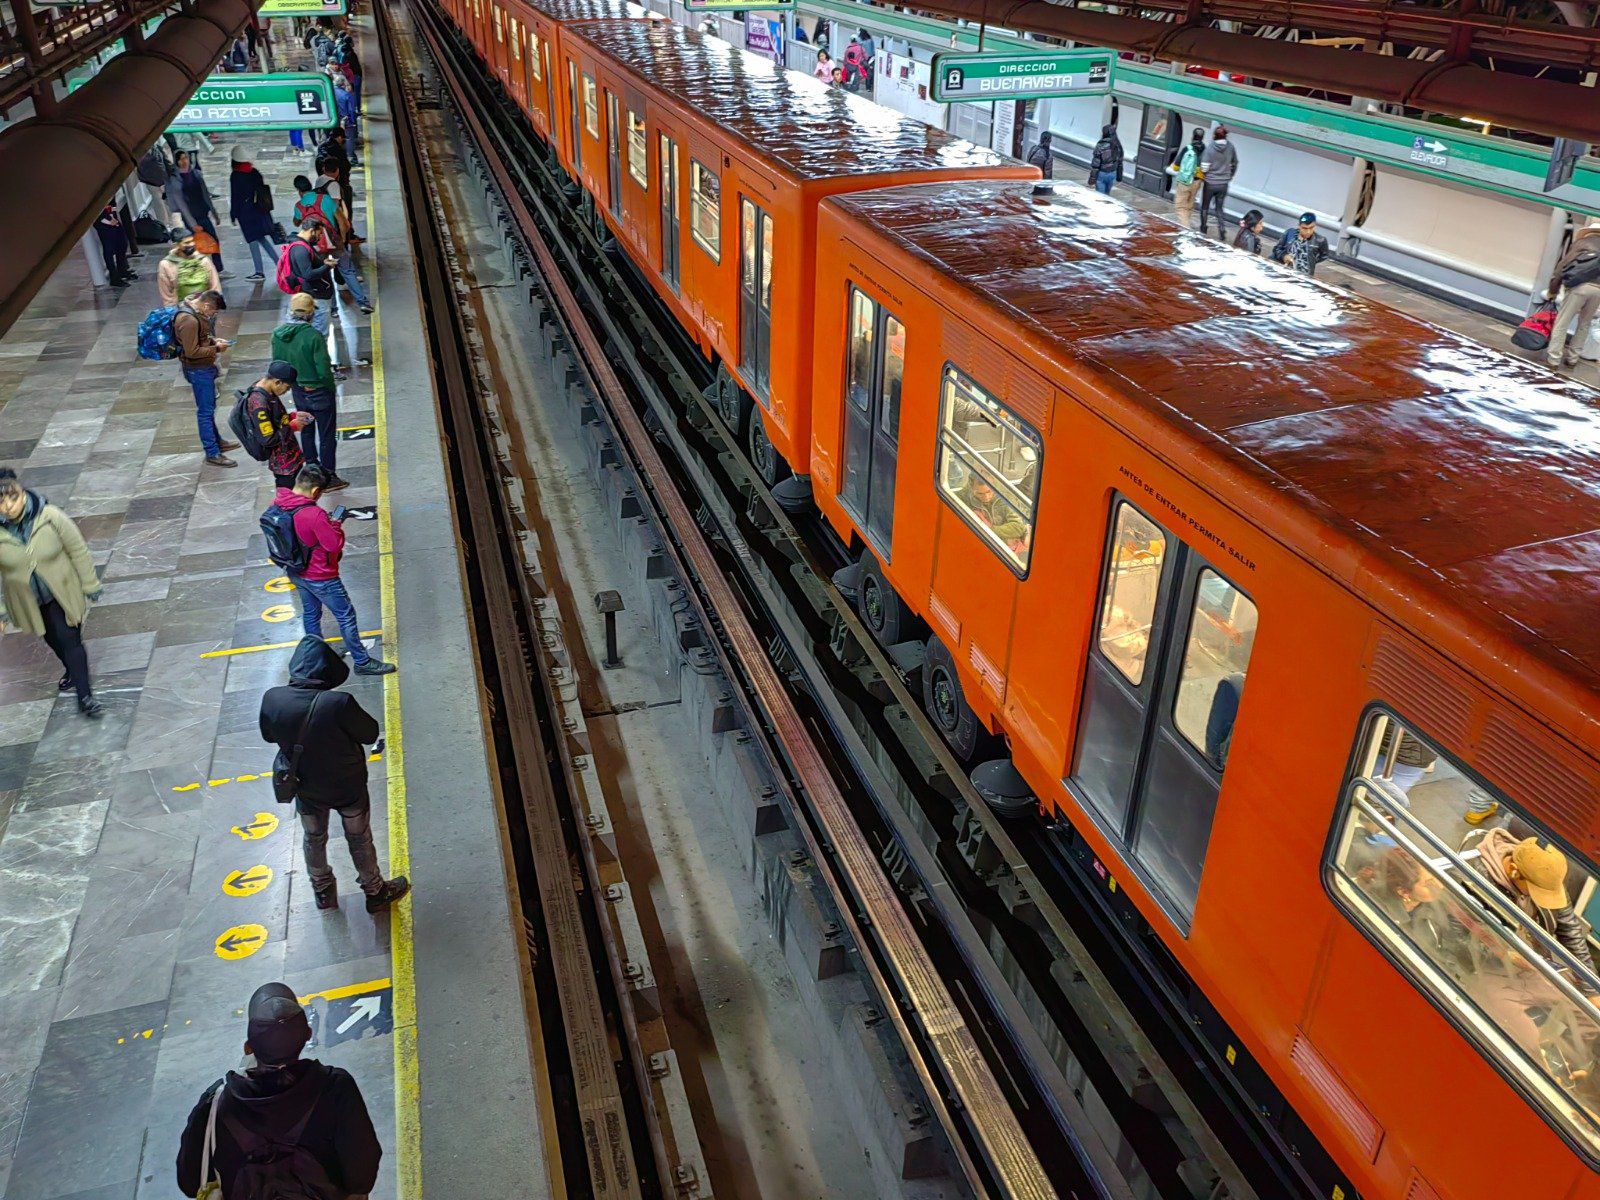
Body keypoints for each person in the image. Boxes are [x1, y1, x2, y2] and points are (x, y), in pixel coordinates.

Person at [175, 982, 384, 1198]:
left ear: (248, 1047)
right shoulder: (336, 1088)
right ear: (308, 1035)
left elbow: (189, 1182)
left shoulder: (216, 1105)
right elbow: (362, 1177)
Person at [270, 465, 397, 677]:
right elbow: (333, 545)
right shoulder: (313, 514)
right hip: (321, 575)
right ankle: (362, 661)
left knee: (311, 613)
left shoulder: (278, 504)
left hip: (295, 571)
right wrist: (335, 524)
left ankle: (317, 658)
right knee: (345, 616)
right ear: (315, 491)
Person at [0, 470, 104, 719]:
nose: (7, 507)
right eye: (1, 502)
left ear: (22, 495)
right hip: (29, 600)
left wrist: (90, 585)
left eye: (12, 499)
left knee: (71, 640)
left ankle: (85, 696)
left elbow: (77, 549)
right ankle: (72, 670)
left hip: (62, 592)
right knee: (51, 638)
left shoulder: (50, 516)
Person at [1472, 830, 1598, 977]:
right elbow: (1462, 935)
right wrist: (1509, 955)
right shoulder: (1478, 881)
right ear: (1514, 871)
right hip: (1488, 967)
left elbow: (1570, 932)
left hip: (1530, 968)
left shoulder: (1545, 873)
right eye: (1538, 892)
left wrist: (1589, 985)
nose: (1542, 899)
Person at [273, 293, 346, 487]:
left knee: (305, 430)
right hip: (319, 391)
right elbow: (323, 368)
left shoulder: (277, 334)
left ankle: (311, 470)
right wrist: (329, 387)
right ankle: (328, 476)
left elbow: (277, 365)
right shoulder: (313, 336)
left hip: (297, 390)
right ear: (310, 313)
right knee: (327, 435)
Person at [173, 289, 239, 467]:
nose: (213, 315)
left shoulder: (195, 312)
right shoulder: (188, 320)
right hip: (198, 370)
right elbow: (192, 351)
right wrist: (216, 349)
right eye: (214, 312)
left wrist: (214, 340)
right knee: (205, 411)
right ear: (207, 305)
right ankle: (212, 452)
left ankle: (217, 442)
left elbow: (200, 339)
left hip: (203, 368)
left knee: (209, 408)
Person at [244, 361, 311, 488]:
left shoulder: (268, 390)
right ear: (277, 382)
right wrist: (292, 426)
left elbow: (275, 419)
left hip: (291, 457)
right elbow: (268, 439)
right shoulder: (259, 404)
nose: (287, 391)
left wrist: (293, 416)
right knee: (288, 501)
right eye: (287, 387)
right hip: (283, 466)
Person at [1546, 226, 1600, 372]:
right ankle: (1572, 359)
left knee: (1562, 322)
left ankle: (1554, 359)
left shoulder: (1581, 243)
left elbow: (1561, 267)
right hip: (1598, 291)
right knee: (1584, 324)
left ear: (1589, 232)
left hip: (1579, 287)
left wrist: (1553, 291)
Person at [166, 150, 227, 273]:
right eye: (181, 159)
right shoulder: (175, 180)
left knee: (213, 241)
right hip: (191, 217)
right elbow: (181, 204)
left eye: (186, 158)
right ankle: (199, 272)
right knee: (195, 246)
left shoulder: (196, 174)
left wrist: (214, 212)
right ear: (176, 161)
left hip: (202, 212)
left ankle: (218, 269)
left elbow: (205, 194)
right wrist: (193, 224)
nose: (184, 161)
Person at [228, 146, 280, 281]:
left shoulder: (236, 176)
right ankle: (279, 263)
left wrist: (233, 214)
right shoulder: (254, 172)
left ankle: (259, 272)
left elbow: (235, 197)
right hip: (259, 211)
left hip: (246, 214)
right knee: (262, 239)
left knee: (252, 240)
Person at [157, 230, 222, 306]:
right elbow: (166, 294)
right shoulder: (166, 264)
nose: (192, 244)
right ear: (176, 245)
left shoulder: (204, 261)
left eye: (192, 241)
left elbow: (215, 286)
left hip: (205, 307)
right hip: (181, 309)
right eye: (187, 243)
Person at [959, 475, 1025, 546]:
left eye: (989, 491)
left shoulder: (1006, 498)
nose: (986, 497)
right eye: (980, 493)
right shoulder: (964, 496)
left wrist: (990, 530)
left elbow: (1019, 527)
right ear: (972, 489)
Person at [1198, 125, 1238, 238]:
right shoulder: (1230, 147)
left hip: (1210, 183)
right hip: (1223, 183)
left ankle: (1203, 228)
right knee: (1219, 208)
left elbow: (1204, 167)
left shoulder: (1210, 148)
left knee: (1205, 206)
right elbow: (1235, 163)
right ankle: (1222, 229)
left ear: (1214, 135)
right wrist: (1230, 175)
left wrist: (1206, 175)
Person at [1271, 211, 1333, 277]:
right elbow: (1276, 248)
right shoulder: (1290, 233)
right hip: (1285, 272)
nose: (1308, 232)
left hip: (1305, 275)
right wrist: (1284, 256)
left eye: (1311, 228)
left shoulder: (1320, 240)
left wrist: (1311, 259)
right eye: (1304, 228)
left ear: (1315, 226)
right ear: (1299, 226)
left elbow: (1324, 256)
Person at [92, 202, 135, 286]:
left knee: (122, 243)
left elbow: (111, 204)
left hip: (108, 214)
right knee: (109, 248)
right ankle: (114, 276)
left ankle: (121, 269)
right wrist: (107, 220)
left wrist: (112, 216)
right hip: (102, 218)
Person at [1170, 127, 1205, 229]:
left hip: (1185, 182)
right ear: (1202, 138)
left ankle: (1186, 228)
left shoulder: (1187, 148)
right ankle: (1184, 225)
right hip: (1197, 182)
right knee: (1189, 206)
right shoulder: (1206, 150)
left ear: (1193, 136)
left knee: (1180, 207)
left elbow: (1176, 167)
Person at [331, 68, 361, 166]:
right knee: (349, 138)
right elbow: (352, 110)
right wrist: (353, 121)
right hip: (346, 121)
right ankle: (350, 157)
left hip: (334, 121)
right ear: (343, 84)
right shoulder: (347, 95)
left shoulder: (331, 92)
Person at [1087, 123, 1123, 195]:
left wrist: (1092, 179)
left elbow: (1095, 164)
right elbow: (1120, 162)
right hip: (1112, 173)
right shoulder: (1117, 145)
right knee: (1107, 195)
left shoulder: (1100, 145)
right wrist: (1119, 176)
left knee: (1100, 196)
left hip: (1102, 173)